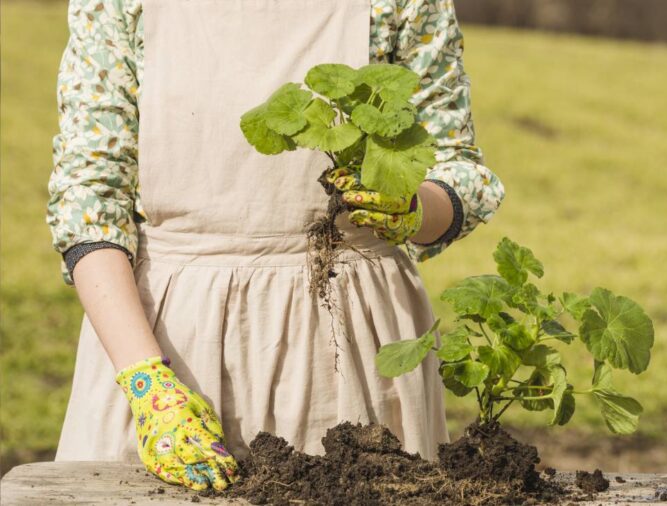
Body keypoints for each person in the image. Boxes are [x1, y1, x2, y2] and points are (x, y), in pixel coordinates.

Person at [46, 0, 504, 492]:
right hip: (162, 342)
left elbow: (458, 169)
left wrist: (414, 208)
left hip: (351, 345)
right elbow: (90, 199)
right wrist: (146, 383)